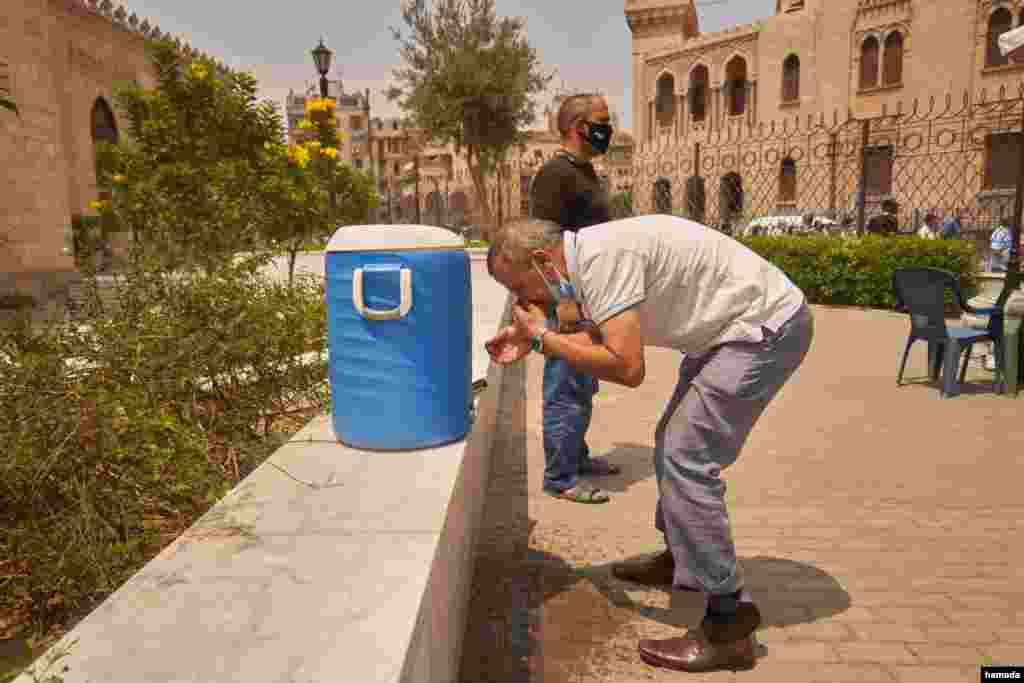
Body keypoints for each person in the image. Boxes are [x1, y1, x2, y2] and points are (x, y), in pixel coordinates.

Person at [485, 215, 814, 672]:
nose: (523, 301)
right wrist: (535, 337)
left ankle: (728, 623)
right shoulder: (586, 261)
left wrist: (542, 339)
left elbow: (626, 366)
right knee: (671, 441)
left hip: (762, 331)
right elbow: (600, 337)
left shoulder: (604, 260)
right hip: (729, 334)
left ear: (542, 260)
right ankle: (683, 558)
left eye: (520, 289)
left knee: (686, 456)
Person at [528, 93, 618, 504]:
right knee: (564, 387)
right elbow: (543, 243)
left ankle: (576, 457)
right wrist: (561, 299)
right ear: (576, 127)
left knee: (583, 384)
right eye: (600, 121)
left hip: (590, 297)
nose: (607, 128)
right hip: (567, 300)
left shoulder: (584, 173)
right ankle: (560, 477)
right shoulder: (554, 175)